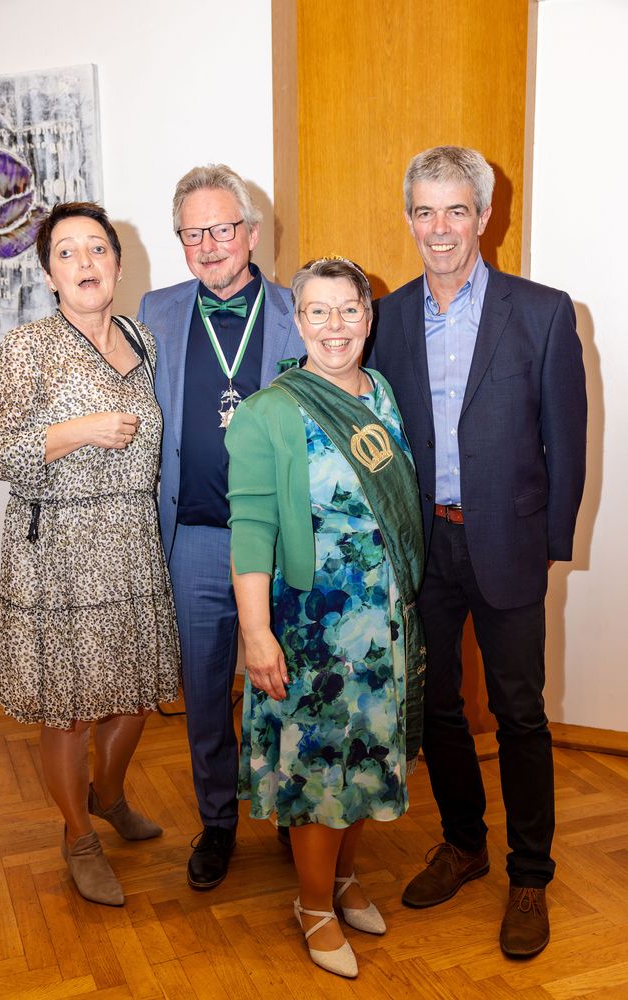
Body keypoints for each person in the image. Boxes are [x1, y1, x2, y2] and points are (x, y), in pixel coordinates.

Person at [368, 145, 587, 958]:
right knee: (434, 707)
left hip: (506, 544)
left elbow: (567, 443)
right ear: (408, 219)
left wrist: (547, 546)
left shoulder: (542, 312)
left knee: (518, 712)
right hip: (422, 547)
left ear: (484, 217)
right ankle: (463, 844)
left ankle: (529, 874)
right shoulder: (385, 318)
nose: (439, 228)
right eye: (424, 211)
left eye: (455, 210)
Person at [225, 257, 426, 978]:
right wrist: (256, 634)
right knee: (318, 772)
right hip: (312, 627)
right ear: (298, 319)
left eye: (348, 310)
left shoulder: (382, 392)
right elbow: (251, 531)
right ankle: (312, 906)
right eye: (318, 311)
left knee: (365, 757)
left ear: (368, 318)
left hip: (381, 624)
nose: (334, 326)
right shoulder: (269, 412)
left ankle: (341, 880)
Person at [0, 201, 181, 907]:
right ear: (48, 274)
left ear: (118, 265)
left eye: (97, 248)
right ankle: (78, 835)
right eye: (66, 252)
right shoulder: (25, 349)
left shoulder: (143, 340)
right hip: (59, 548)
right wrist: (76, 431)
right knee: (68, 707)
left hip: (132, 540)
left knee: (135, 693)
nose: (85, 262)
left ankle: (109, 795)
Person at [137, 164, 299, 890]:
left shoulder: (298, 311)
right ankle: (218, 822)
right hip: (196, 537)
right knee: (204, 694)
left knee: (287, 684)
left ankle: (296, 814)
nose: (208, 245)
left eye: (222, 228)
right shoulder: (157, 311)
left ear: (251, 233)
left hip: (282, 539)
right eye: (192, 233)